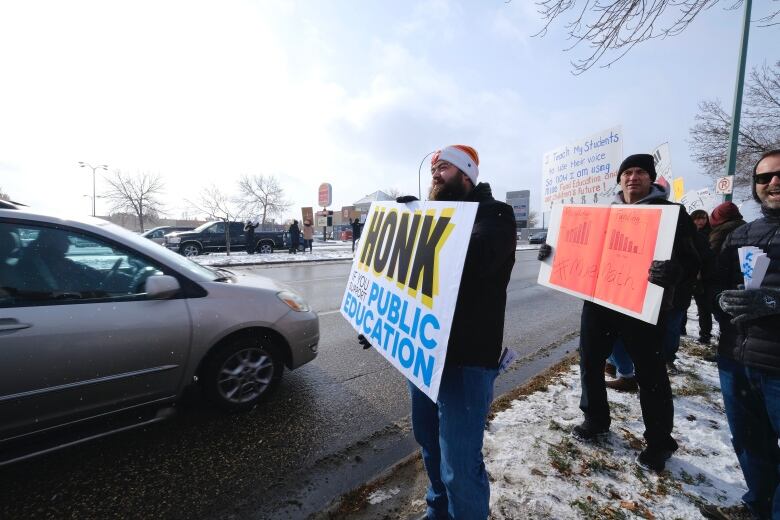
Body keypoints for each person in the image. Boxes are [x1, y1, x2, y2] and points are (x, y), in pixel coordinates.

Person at [361, 144, 516, 519]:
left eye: (444, 167)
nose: (435, 173)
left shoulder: (496, 215)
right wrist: (374, 320)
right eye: (433, 168)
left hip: (467, 363)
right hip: (425, 357)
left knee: (459, 466)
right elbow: (401, 280)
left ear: (467, 176)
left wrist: (423, 226)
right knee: (430, 447)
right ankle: (438, 512)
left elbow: (472, 258)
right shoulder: (433, 215)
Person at [539, 153, 700, 472]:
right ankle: (595, 420)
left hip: (643, 305)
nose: (633, 177)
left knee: (651, 373)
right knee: (589, 361)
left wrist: (674, 272)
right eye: (627, 172)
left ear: (651, 179)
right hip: (599, 303)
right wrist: (551, 253)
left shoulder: (671, 213)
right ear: (619, 179)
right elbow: (579, 246)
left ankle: (658, 442)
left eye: (641, 172)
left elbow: (694, 259)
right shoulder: (602, 213)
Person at [708, 150, 780, 520]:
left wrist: (773, 300)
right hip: (736, 357)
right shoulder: (742, 234)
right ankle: (758, 508)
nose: (773, 183)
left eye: (779, 175)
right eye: (764, 178)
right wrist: (721, 298)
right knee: (750, 442)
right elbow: (713, 285)